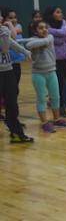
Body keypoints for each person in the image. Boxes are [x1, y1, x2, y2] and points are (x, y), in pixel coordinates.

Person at [26, 21, 66, 133]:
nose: (44, 30)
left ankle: (56, 119)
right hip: (38, 74)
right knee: (41, 98)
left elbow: (46, 41)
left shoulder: (50, 37)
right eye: (41, 28)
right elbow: (28, 45)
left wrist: (41, 42)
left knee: (55, 97)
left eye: (46, 27)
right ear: (35, 30)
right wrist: (39, 42)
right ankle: (44, 122)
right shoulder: (32, 40)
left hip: (51, 72)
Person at [0, 13, 33, 143]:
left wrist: (25, 51)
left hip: (7, 70)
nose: (1, 18)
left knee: (11, 103)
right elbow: (4, 47)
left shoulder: (2, 30)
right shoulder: (3, 30)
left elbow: (10, 42)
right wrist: (4, 31)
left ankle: (16, 132)